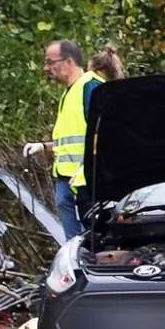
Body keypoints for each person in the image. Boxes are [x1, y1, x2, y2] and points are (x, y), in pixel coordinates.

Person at [23, 40, 104, 239]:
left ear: (68, 61)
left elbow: (105, 136)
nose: (46, 68)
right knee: (75, 245)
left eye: (51, 62)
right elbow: (71, 142)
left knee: (93, 241)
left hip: (86, 184)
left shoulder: (90, 88)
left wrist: (87, 168)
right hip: (67, 181)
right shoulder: (69, 93)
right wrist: (43, 147)